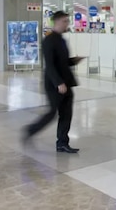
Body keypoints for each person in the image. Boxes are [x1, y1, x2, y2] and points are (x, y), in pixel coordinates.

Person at [23, 11, 83, 153]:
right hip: (54, 85)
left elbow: (62, 62)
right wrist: (58, 83)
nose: (66, 24)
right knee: (52, 113)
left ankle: (62, 143)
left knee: (66, 114)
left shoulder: (62, 40)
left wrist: (73, 60)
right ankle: (30, 130)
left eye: (67, 21)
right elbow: (49, 65)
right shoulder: (48, 40)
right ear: (56, 22)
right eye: (64, 21)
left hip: (66, 83)